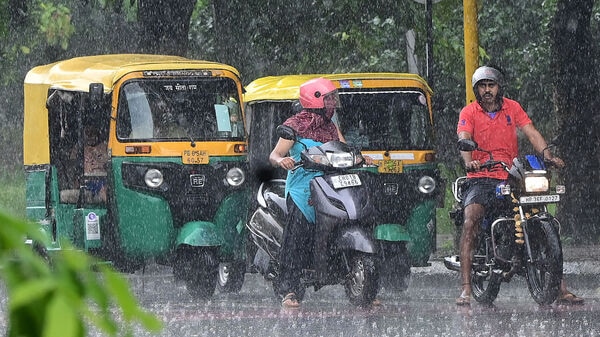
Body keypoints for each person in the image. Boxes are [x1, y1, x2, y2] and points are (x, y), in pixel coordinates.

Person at [455, 66, 584, 306]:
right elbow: (464, 137)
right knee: (471, 218)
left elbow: (531, 132)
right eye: (482, 86)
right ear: (476, 90)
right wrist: (469, 161)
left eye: (491, 85)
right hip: (481, 177)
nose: (487, 90)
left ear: (498, 87)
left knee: (538, 213)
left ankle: (560, 288)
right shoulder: (469, 111)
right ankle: (465, 288)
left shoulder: (512, 108)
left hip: (510, 175)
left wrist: (547, 155)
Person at [269, 78, 371, 309]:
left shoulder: (331, 126)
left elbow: (345, 148)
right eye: (329, 98)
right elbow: (274, 155)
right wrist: (282, 160)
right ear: (314, 100)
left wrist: (361, 157)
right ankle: (289, 288)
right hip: (302, 185)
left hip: (329, 182)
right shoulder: (294, 125)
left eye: (333, 98)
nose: (333, 102)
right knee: (297, 236)